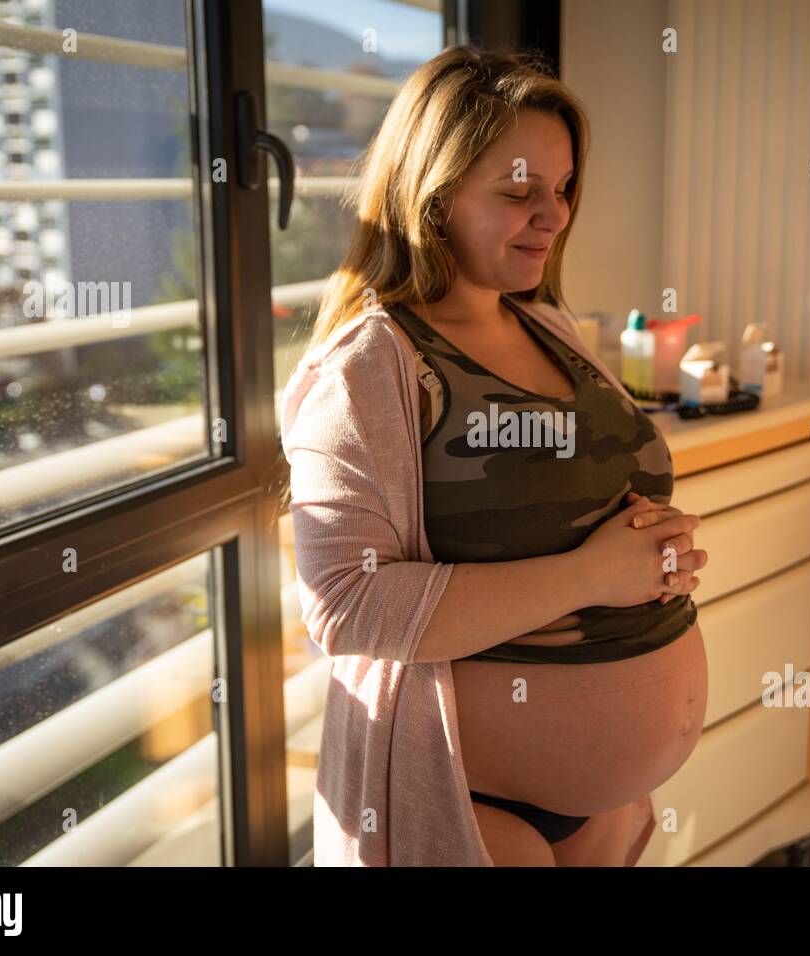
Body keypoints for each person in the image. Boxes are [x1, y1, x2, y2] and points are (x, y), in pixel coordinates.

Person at [280, 45, 708, 866]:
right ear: (433, 201)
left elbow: (570, 506)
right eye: (518, 192)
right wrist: (595, 576)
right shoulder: (372, 366)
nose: (553, 217)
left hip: (605, 801)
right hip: (473, 801)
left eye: (563, 189)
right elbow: (343, 604)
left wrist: (654, 549)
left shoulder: (545, 323)